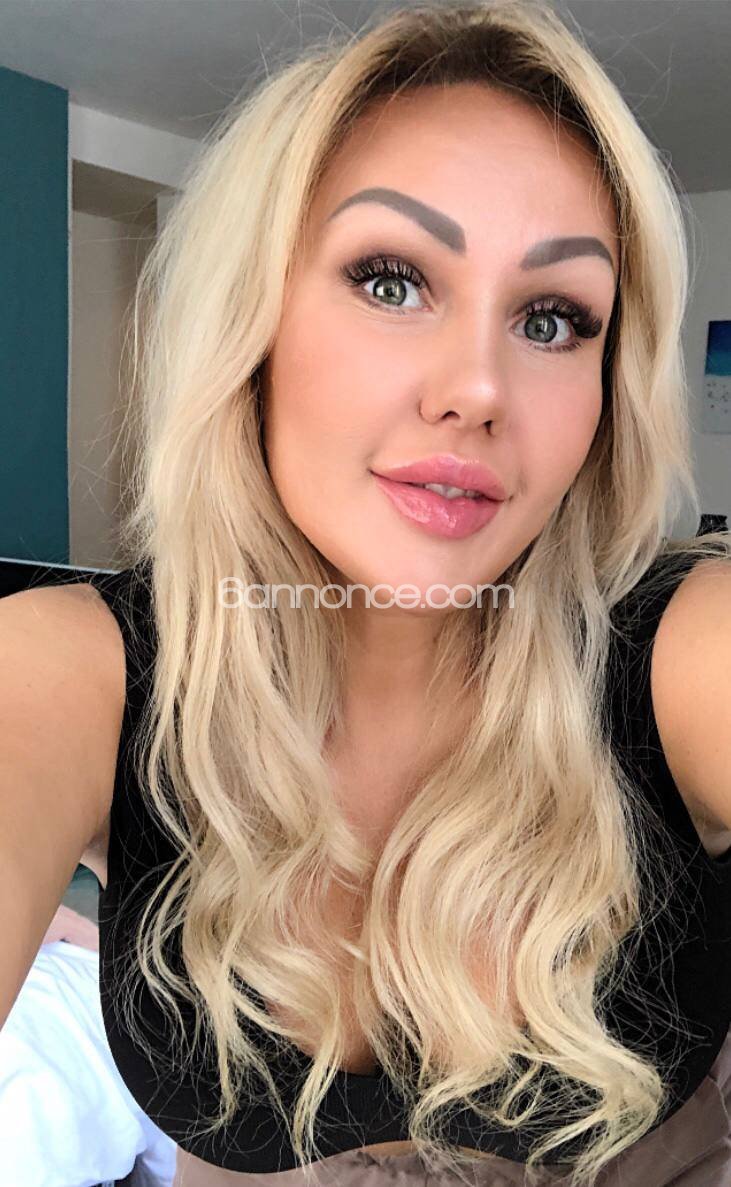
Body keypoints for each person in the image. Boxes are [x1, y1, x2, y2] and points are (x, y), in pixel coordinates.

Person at [2, 1, 731, 1185]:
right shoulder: (70, 673)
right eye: (390, 280)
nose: (477, 388)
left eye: (552, 318)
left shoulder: (683, 652)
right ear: (253, 323)